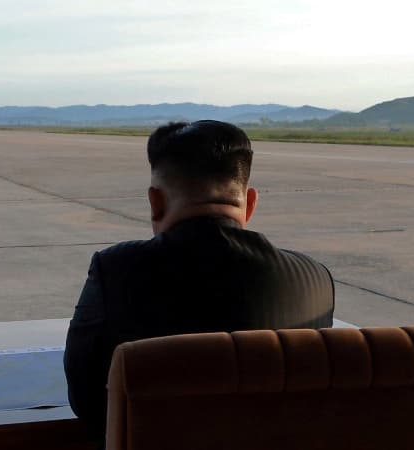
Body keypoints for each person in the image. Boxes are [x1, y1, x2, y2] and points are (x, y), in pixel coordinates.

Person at [63, 120, 335, 436]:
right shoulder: (315, 280)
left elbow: (86, 399)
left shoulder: (117, 269)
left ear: (155, 202)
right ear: (249, 203)